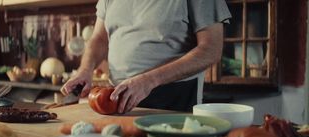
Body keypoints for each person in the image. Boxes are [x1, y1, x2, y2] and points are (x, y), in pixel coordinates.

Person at [61, 0, 232, 113]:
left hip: (174, 99)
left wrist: (149, 80)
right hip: (116, 98)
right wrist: (85, 70)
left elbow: (211, 49)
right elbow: (99, 38)